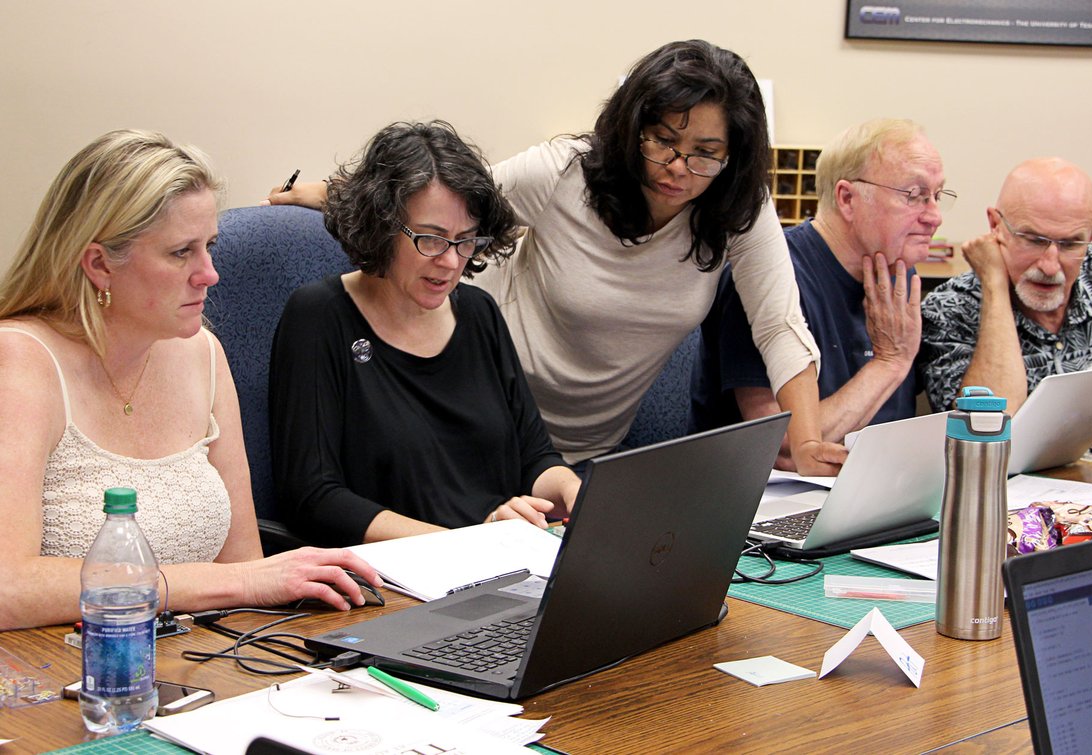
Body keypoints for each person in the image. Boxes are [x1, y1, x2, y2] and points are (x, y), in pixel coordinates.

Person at [266, 40, 845, 475]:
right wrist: (325, 191)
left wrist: (809, 439)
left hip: (590, 453)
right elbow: (454, 201)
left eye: (705, 154)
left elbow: (779, 325)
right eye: (663, 141)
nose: (677, 167)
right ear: (631, 126)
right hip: (488, 424)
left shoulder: (738, 208)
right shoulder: (567, 172)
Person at [0, 130, 384, 631]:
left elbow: (244, 563)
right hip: (62, 676)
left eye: (210, 247)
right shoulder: (20, 360)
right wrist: (233, 585)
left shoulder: (201, 352)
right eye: (181, 252)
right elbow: (9, 586)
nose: (210, 274)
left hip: (191, 662)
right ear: (99, 264)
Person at [269, 122, 580, 546]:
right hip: (392, 580)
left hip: (498, 558)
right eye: (431, 239)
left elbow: (535, 457)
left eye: (466, 241)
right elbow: (313, 496)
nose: (451, 262)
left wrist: (568, 488)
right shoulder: (320, 316)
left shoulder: (478, 311)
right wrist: (462, 543)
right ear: (382, 227)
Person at [691, 119, 950, 468]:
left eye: (938, 196)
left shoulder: (898, 273)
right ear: (847, 198)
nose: (934, 217)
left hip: (871, 489)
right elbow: (780, 447)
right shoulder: (768, 277)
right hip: (764, 500)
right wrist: (890, 364)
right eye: (915, 196)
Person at [920, 157, 1092, 446]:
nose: (1050, 265)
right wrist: (995, 287)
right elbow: (985, 429)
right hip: (1012, 488)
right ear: (995, 225)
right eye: (1033, 240)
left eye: (1070, 244)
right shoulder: (950, 307)